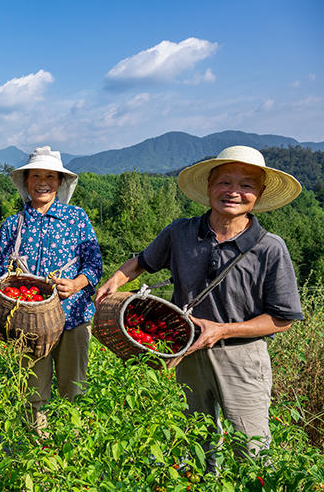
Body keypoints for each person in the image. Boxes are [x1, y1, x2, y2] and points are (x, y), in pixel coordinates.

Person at [95, 145, 303, 472]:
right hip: (187, 353)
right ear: (209, 186)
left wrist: (222, 330)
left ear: (259, 194)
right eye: (224, 182)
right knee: (195, 443)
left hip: (241, 357)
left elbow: (282, 318)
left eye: (246, 185)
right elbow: (143, 262)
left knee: (250, 450)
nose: (233, 192)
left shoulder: (269, 248)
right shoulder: (181, 232)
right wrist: (117, 279)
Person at [0, 146, 103, 435]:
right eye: (36, 176)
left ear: (60, 182)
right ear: (26, 181)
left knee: (74, 391)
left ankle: (71, 456)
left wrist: (77, 284)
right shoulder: (13, 225)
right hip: (27, 323)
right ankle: (39, 458)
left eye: (50, 176)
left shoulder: (76, 218)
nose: (43, 182)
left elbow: (95, 264)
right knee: (33, 396)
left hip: (72, 317)